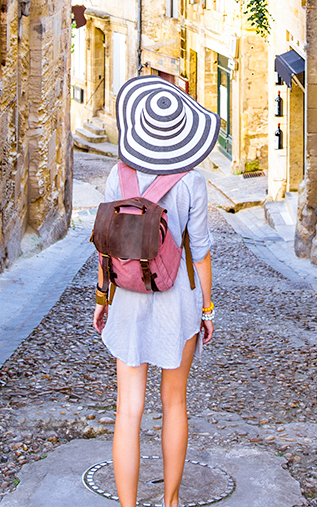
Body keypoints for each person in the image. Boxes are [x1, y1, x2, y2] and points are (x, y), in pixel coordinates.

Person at [92, 76, 218, 507]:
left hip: (126, 301)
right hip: (176, 305)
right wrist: (207, 310)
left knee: (128, 410)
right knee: (174, 404)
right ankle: (170, 501)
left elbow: (106, 244)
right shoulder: (191, 183)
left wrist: (101, 298)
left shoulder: (118, 175)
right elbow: (199, 254)